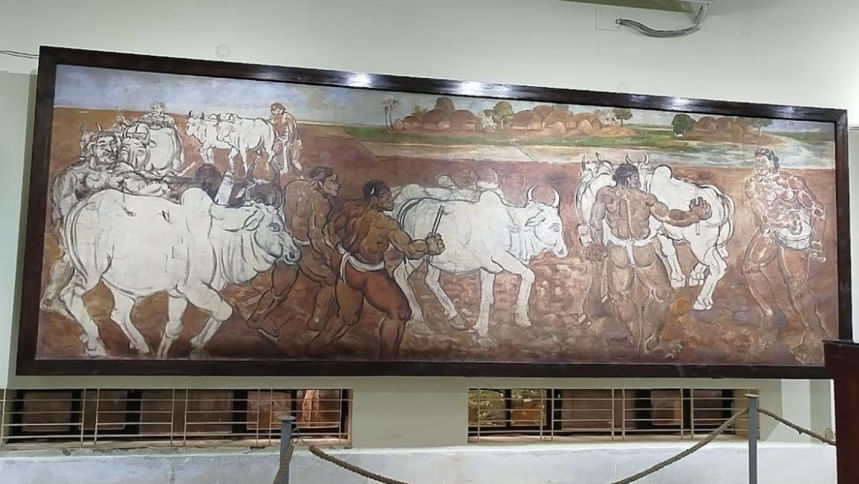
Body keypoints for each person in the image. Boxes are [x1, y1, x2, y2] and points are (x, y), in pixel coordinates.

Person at [585, 163, 711, 355]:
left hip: (618, 250)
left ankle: (636, 340)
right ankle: (647, 343)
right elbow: (669, 216)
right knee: (662, 294)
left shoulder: (606, 195)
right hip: (641, 250)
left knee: (620, 297)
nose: (639, 182)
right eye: (636, 178)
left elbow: (595, 222)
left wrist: (597, 242)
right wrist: (694, 216)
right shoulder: (644, 198)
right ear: (628, 178)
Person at [309, 180, 445, 358]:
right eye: (385, 197)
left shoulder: (350, 207)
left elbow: (329, 229)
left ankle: (315, 346)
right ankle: (388, 362)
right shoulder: (385, 223)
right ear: (374, 199)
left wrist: (337, 252)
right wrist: (427, 246)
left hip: (346, 266)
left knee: (347, 317)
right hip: (369, 273)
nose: (391, 199)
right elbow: (410, 250)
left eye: (390, 195)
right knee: (400, 313)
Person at [742, 148, 829, 361]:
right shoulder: (752, 185)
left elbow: (818, 210)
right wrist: (781, 222)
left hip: (795, 233)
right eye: (757, 162)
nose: (760, 166)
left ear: (774, 163)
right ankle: (772, 314)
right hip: (773, 230)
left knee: (796, 285)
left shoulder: (792, 182)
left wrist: (817, 241)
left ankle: (815, 335)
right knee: (750, 267)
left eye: (764, 162)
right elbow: (763, 215)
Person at [246, 166, 341, 339]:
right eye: (332, 182)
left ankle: (256, 319)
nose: (337, 185)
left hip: (286, 243)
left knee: (279, 290)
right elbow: (315, 235)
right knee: (331, 279)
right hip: (303, 248)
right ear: (319, 182)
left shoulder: (294, 186)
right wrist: (329, 255)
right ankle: (316, 322)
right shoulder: (321, 202)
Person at [270, 102, 303, 173]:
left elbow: (292, 131)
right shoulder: (273, 119)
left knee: (294, 161)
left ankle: (300, 176)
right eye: (272, 110)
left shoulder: (288, 117)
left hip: (293, 141)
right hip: (281, 141)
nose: (273, 111)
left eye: (275, 109)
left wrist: (290, 143)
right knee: (274, 155)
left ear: (280, 110)